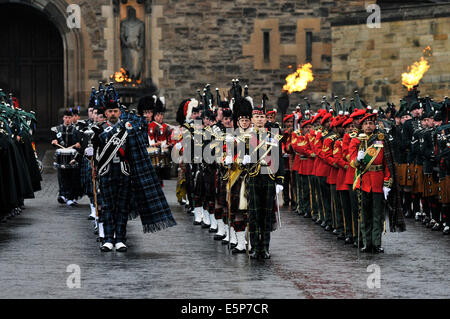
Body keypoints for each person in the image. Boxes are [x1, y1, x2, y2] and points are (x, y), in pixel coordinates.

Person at [91, 89, 176, 252]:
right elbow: (94, 153)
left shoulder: (128, 128)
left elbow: (136, 149)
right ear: (106, 113)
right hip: (106, 171)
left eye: (116, 111)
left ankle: (120, 239)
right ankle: (108, 239)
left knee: (122, 206)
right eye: (110, 111)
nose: (113, 114)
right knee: (108, 206)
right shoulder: (99, 130)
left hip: (123, 171)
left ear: (119, 112)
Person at [349, 111, 392, 253]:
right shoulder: (356, 141)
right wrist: (358, 159)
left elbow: (387, 163)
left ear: (375, 125)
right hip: (364, 181)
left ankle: (377, 243)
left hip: (378, 181)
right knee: (365, 214)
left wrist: (387, 183)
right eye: (366, 124)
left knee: (377, 215)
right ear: (361, 126)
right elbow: (352, 162)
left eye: (371, 123)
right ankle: (366, 243)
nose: (368, 126)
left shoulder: (381, 139)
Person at [247, 101, 284, 259]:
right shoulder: (247, 137)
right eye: (257, 117)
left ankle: (265, 247)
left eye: (262, 116)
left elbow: (278, 158)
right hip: (254, 177)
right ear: (252, 119)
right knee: (254, 215)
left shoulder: (273, 136)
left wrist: (280, 180)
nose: (260, 119)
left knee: (267, 214)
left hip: (268, 176)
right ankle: (255, 247)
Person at [51, 109, 81, 206]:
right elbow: (54, 140)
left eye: (69, 118)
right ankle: (63, 194)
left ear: (72, 118)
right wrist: (54, 142)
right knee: (62, 176)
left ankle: (71, 197)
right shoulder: (58, 129)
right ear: (63, 118)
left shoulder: (76, 129)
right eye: (65, 117)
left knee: (72, 177)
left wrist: (78, 144)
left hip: (73, 157)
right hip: (62, 157)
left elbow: (79, 142)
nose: (67, 120)